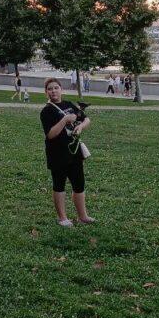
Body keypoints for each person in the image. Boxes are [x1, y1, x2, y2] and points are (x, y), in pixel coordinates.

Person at [40, 78, 94, 227]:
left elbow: (86, 119)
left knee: (79, 184)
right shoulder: (46, 111)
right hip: (57, 154)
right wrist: (64, 120)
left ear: (61, 89)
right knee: (59, 185)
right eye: (50, 89)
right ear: (46, 92)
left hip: (74, 152)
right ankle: (62, 218)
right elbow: (50, 134)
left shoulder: (69, 105)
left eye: (56, 88)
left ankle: (83, 216)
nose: (53, 91)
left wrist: (80, 126)